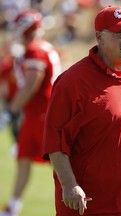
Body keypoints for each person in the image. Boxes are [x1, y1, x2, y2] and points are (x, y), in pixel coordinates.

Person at [42, 5, 121, 216]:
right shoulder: (72, 82)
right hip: (96, 204)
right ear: (99, 37)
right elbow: (55, 140)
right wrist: (69, 185)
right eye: (119, 33)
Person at [0, 9, 62, 216]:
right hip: (34, 114)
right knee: (23, 158)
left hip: (45, 114)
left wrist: (10, 111)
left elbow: (31, 85)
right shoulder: (29, 50)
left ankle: (77, 199)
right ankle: (12, 206)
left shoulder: (36, 50)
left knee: (59, 163)